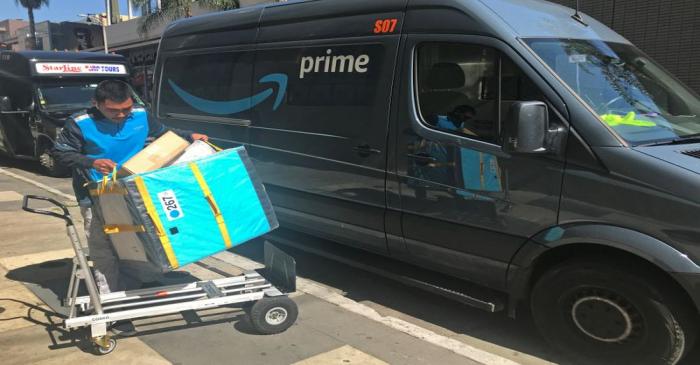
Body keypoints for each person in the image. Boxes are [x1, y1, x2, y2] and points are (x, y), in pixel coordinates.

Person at [53, 80, 208, 296]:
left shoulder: (140, 114)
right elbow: (61, 153)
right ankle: (112, 299)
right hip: (96, 193)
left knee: (142, 239)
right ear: (96, 103)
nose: (121, 115)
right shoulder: (80, 122)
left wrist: (189, 135)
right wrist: (92, 162)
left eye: (126, 109)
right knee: (104, 249)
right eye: (113, 111)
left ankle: (144, 282)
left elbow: (164, 132)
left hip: (135, 190)